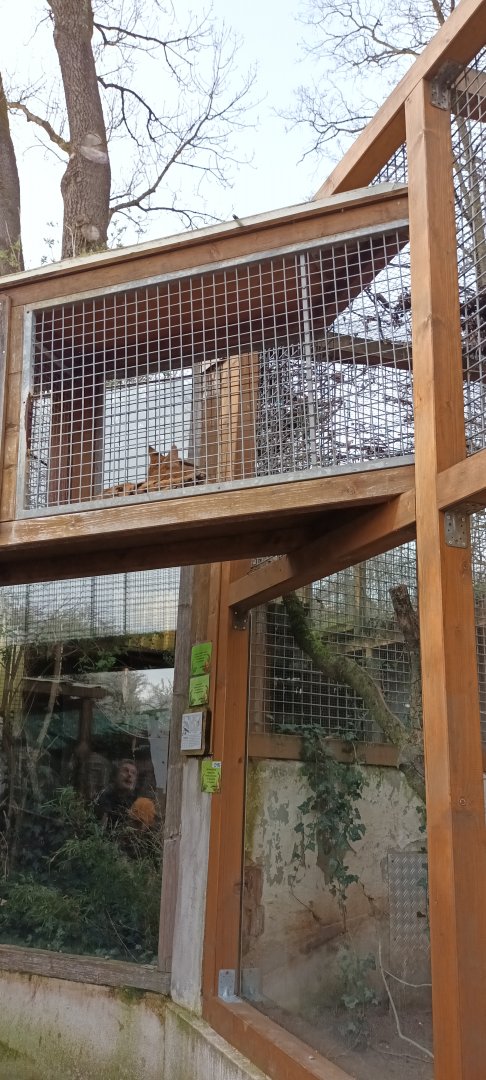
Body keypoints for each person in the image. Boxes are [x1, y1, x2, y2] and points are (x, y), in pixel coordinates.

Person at [94, 759, 138, 828]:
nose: (129, 774)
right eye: (125, 771)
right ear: (115, 776)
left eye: (133, 773)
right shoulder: (105, 795)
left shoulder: (135, 801)